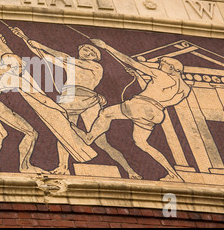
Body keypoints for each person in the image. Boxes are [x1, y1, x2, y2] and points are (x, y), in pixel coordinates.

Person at [11, 27, 141, 178]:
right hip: (69, 97)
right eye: (86, 49)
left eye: (92, 53)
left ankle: (130, 171)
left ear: (95, 59)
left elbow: (60, 55)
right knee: (65, 134)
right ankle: (63, 167)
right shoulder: (71, 63)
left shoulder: (95, 66)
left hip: (89, 99)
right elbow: (42, 56)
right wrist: (24, 38)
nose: (88, 53)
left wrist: (41, 46)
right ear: (80, 49)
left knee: (101, 142)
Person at [72, 38, 191, 182]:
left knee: (106, 113)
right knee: (143, 144)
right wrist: (139, 76)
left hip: (140, 105)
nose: (159, 67)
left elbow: (131, 62)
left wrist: (107, 46)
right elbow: (159, 91)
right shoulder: (185, 88)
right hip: (157, 113)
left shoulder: (162, 74)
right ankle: (173, 174)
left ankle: (89, 137)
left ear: (171, 68)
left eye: (162, 65)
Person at [0, 52, 67, 173]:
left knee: (0, 132)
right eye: (19, 67)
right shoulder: (12, 78)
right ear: (16, 67)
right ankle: (25, 167)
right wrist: (58, 108)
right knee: (31, 133)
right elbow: (41, 98)